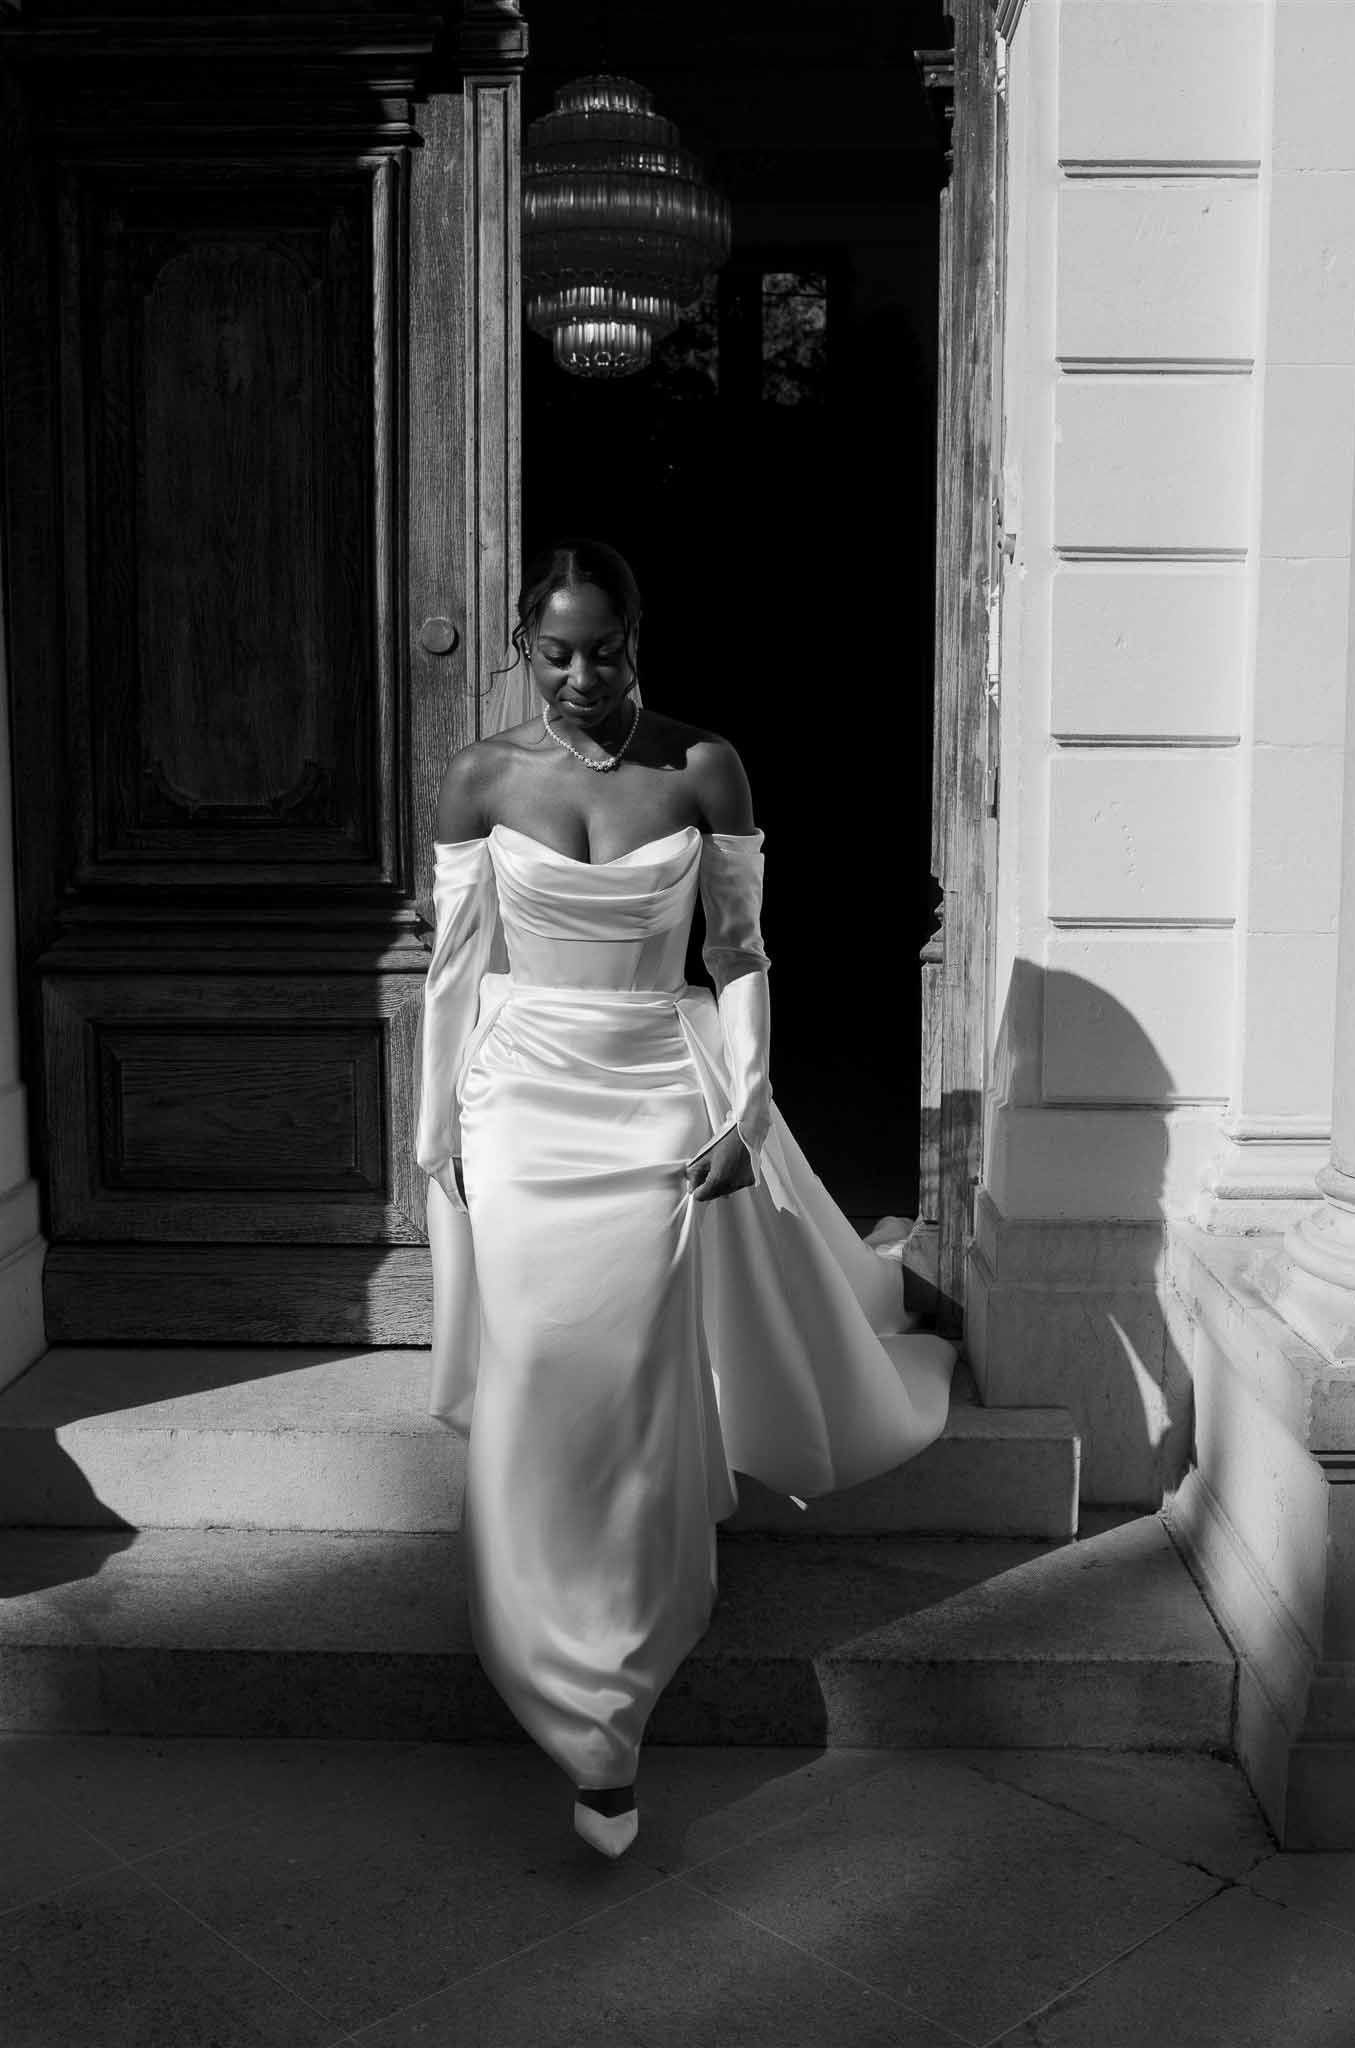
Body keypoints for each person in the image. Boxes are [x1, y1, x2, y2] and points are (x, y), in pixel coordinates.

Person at [413, 537, 956, 1857]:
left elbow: (740, 950)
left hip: (660, 1086)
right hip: (523, 1105)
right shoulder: (481, 774)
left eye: (606, 649)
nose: (582, 676)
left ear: (638, 642)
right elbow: (452, 964)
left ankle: (622, 1681)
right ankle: (558, 1674)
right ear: (521, 649)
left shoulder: (703, 764)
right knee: (540, 1362)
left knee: (637, 1374)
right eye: (556, 652)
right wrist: (436, 1133)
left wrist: (745, 1108)